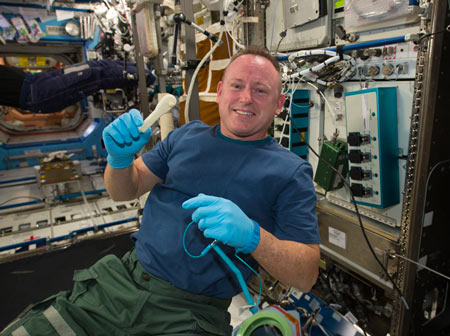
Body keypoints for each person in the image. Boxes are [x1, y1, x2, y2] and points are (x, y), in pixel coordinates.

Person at [1, 45, 320, 335]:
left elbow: (305, 275)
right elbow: (125, 190)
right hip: (115, 286)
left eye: (261, 90)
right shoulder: (187, 135)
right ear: (220, 92)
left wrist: (253, 236)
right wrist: (120, 159)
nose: (246, 98)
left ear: (280, 104)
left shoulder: (290, 172)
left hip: (189, 314)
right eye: (237, 86)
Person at [0, 60, 155, 114]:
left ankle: (140, 68)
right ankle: (145, 77)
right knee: (94, 75)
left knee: (93, 66)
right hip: (36, 94)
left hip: (35, 81)